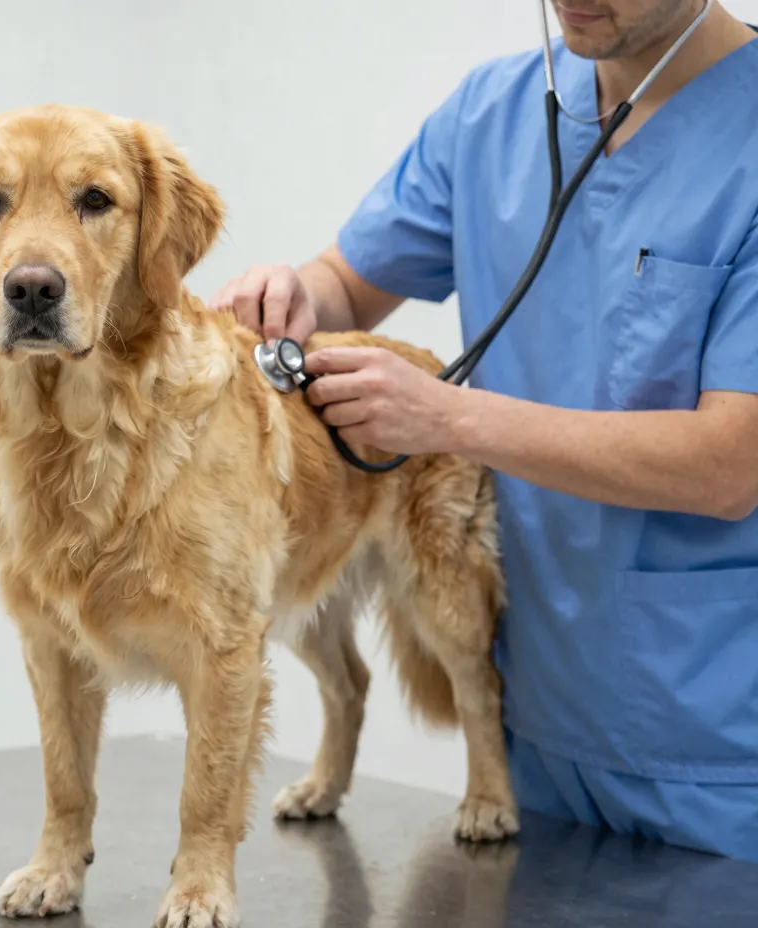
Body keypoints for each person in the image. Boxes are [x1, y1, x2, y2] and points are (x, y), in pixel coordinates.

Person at [212, 0, 758, 861]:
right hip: (535, 729)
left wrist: (446, 417)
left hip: (718, 750)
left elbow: (733, 464)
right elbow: (347, 286)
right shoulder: (489, 117)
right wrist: (297, 295)